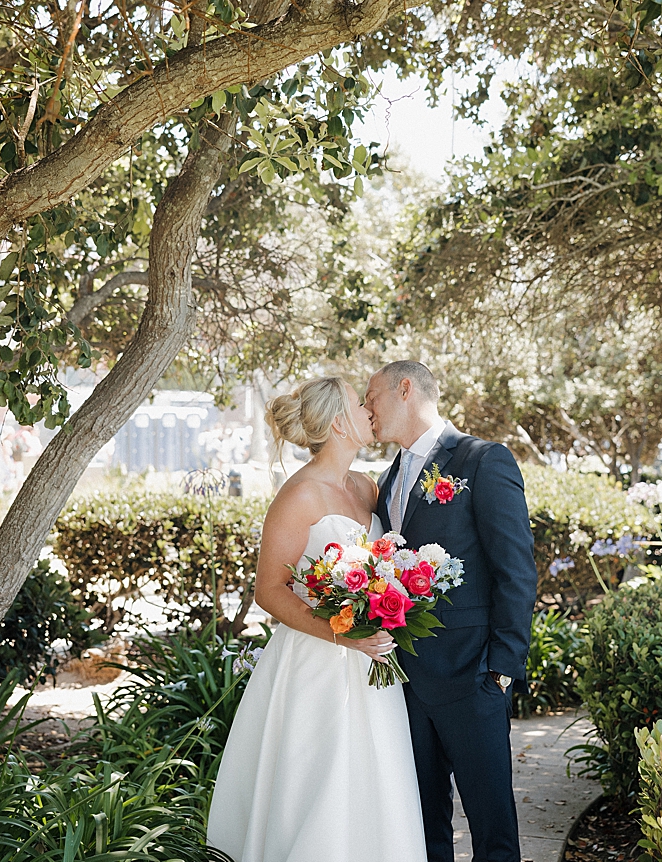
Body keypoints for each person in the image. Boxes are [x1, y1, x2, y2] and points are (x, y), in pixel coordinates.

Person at [206, 376, 426, 862]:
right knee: (319, 780)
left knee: (373, 778)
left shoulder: (366, 487)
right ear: (337, 423)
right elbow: (268, 590)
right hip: (319, 661)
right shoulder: (299, 495)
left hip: (372, 662)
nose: (370, 407)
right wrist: (340, 634)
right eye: (358, 402)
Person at [364, 360, 536, 862]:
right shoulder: (388, 477)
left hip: (473, 675)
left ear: (405, 389)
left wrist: (502, 669)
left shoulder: (483, 460)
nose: (367, 410)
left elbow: (516, 569)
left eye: (372, 397)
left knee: (491, 828)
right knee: (422, 827)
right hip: (403, 682)